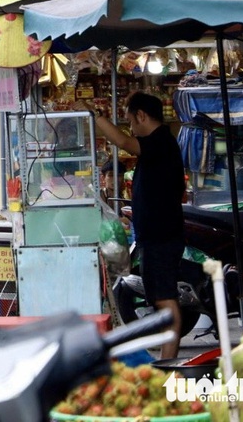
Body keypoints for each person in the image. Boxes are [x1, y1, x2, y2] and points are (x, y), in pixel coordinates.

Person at [75, 92, 185, 359]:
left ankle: (169, 361)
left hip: (162, 236)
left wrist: (94, 114)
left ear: (141, 116)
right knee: (159, 299)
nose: (131, 128)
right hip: (154, 235)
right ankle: (166, 357)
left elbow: (123, 141)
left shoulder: (161, 142)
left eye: (131, 121)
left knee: (165, 299)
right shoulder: (157, 144)